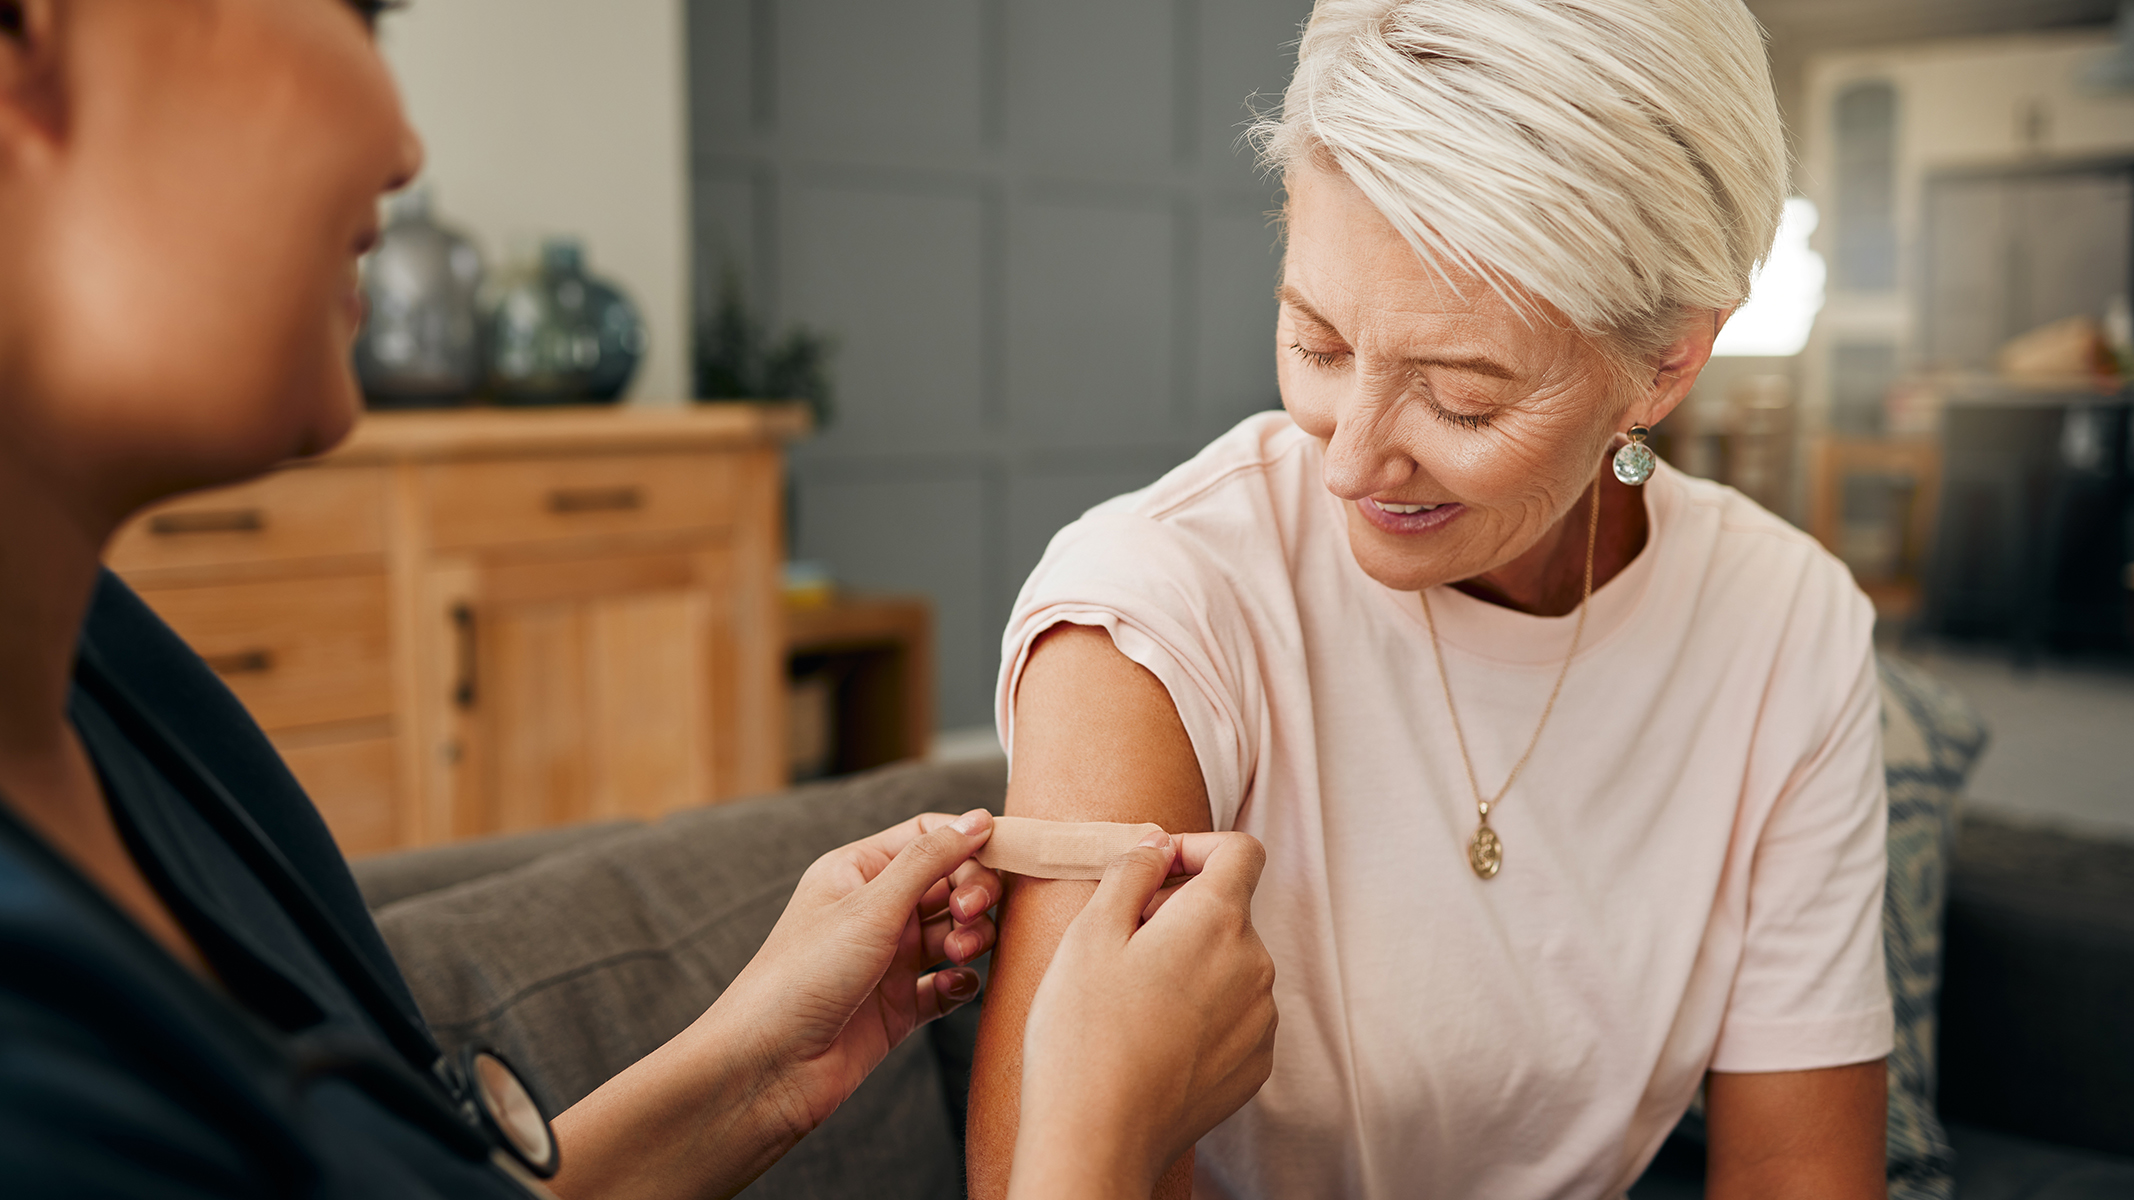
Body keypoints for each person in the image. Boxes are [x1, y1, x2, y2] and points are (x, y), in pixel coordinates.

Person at [0, 2, 1275, 1198]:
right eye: (355, 10)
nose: (400, 147)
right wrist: (1088, 1138)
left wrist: (755, 1075)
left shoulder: (120, 695)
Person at [969, 1, 1893, 1198]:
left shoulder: (1786, 625)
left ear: (1666, 361)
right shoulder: (1149, 614)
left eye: (1461, 398)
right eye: (1317, 343)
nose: (1349, 461)